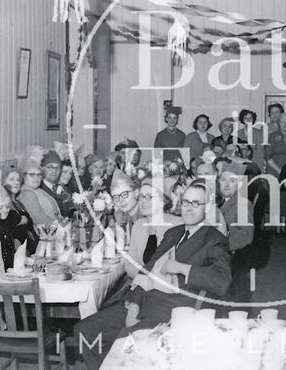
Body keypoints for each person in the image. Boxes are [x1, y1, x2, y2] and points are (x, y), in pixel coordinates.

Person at [75, 179, 232, 370]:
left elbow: (221, 281)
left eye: (195, 203)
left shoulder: (214, 239)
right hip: (141, 302)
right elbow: (146, 270)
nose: (189, 208)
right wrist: (133, 306)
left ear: (206, 207)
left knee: (123, 344)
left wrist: (182, 268)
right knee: (84, 331)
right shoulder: (174, 233)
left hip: (171, 310)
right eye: (185, 202)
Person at [218, 161, 254, 306]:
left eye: (232, 181)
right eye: (223, 179)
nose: (226, 184)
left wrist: (220, 246)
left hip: (234, 256)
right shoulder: (221, 202)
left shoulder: (243, 204)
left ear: (239, 185)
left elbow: (246, 236)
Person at [18, 156, 63, 226]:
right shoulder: (27, 194)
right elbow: (40, 221)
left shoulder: (37, 190)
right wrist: (62, 226)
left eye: (39, 174)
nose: (36, 178)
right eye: (32, 175)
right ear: (24, 176)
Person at [39, 150, 74, 218]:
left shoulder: (61, 188)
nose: (54, 171)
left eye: (57, 167)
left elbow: (70, 209)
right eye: (50, 167)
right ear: (42, 169)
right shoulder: (40, 189)